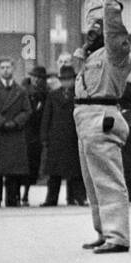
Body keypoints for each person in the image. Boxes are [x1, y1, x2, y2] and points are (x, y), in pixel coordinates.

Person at [74, 0, 131, 253]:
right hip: (85, 119)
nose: (95, 27)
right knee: (92, 181)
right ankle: (103, 231)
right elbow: (93, 21)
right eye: (92, 24)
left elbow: (113, 28)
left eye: (100, 23)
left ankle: (117, 236)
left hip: (103, 117)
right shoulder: (91, 53)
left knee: (108, 180)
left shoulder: (116, 52)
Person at [0, 57, 32, 208]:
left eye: (8, 67)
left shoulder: (21, 91)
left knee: (12, 170)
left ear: (13, 69)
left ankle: (12, 200)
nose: (5, 70)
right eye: (2, 67)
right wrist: (2, 122)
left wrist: (15, 122)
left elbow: (27, 110)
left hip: (14, 133)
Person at [41, 64, 86, 206]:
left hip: (74, 137)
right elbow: (47, 116)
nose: (67, 82)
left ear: (74, 80)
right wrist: (44, 136)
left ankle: (78, 197)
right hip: (56, 138)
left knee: (76, 172)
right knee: (54, 173)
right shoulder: (53, 95)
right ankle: (51, 199)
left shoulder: (80, 95)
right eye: (64, 79)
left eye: (69, 79)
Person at [20, 65, 49, 206]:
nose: (37, 80)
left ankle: (26, 193)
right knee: (22, 164)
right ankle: (19, 194)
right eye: (35, 77)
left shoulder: (46, 94)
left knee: (33, 165)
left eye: (40, 78)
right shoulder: (23, 92)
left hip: (37, 133)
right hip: (24, 132)